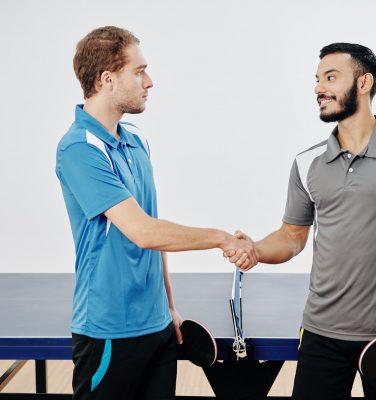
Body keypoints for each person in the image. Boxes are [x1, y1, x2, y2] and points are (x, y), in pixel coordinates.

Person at [55, 26, 257, 400]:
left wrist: (169, 308)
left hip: (160, 328)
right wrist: (221, 238)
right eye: (139, 70)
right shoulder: (79, 149)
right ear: (107, 79)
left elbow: (154, 229)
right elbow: (143, 232)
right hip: (109, 331)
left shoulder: (136, 140)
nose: (149, 81)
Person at [225, 43, 376, 399]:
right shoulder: (307, 162)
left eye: (331, 77)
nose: (319, 88)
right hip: (321, 333)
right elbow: (292, 236)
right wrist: (256, 249)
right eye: (317, 79)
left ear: (364, 83)